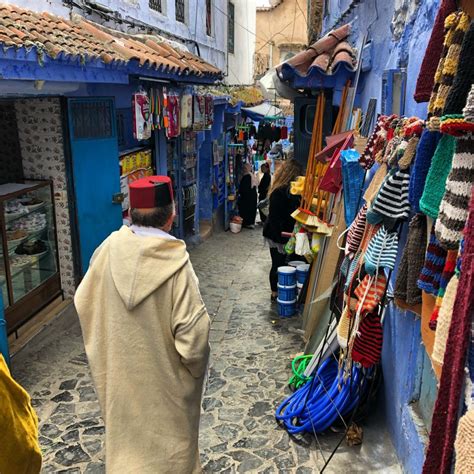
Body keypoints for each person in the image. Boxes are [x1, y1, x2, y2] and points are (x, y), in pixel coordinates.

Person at [74, 176, 210, 473]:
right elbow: (195, 341)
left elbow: (83, 301)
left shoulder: (106, 252)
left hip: (121, 384)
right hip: (167, 390)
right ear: (172, 217)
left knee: (128, 454)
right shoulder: (178, 267)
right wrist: (192, 375)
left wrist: (107, 350)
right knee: (170, 456)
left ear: (130, 213)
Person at [263, 158, 303, 301]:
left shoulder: (287, 190)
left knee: (281, 262)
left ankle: (280, 290)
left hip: (282, 232)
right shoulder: (280, 192)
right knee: (277, 263)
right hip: (276, 234)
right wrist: (282, 238)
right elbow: (275, 218)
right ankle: (275, 292)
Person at [238, 162, 258, 228]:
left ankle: (247, 223)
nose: (243, 169)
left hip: (247, 197)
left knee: (246, 209)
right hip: (252, 196)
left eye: (244, 168)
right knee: (251, 209)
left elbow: (244, 188)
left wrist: (239, 192)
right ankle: (250, 223)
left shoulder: (247, 177)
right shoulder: (251, 175)